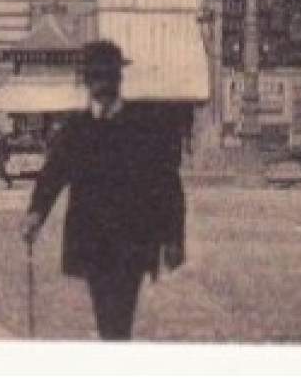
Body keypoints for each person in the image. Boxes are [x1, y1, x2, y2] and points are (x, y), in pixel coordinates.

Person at [19, 40, 186, 341]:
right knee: (106, 312)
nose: (101, 83)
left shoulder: (143, 127)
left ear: (118, 79)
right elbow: (53, 175)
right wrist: (36, 213)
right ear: (86, 81)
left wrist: (174, 239)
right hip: (93, 239)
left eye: (106, 76)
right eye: (95, 76)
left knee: (118, 317)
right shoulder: (76, 129)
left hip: (133, 239)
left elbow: (168, 185)